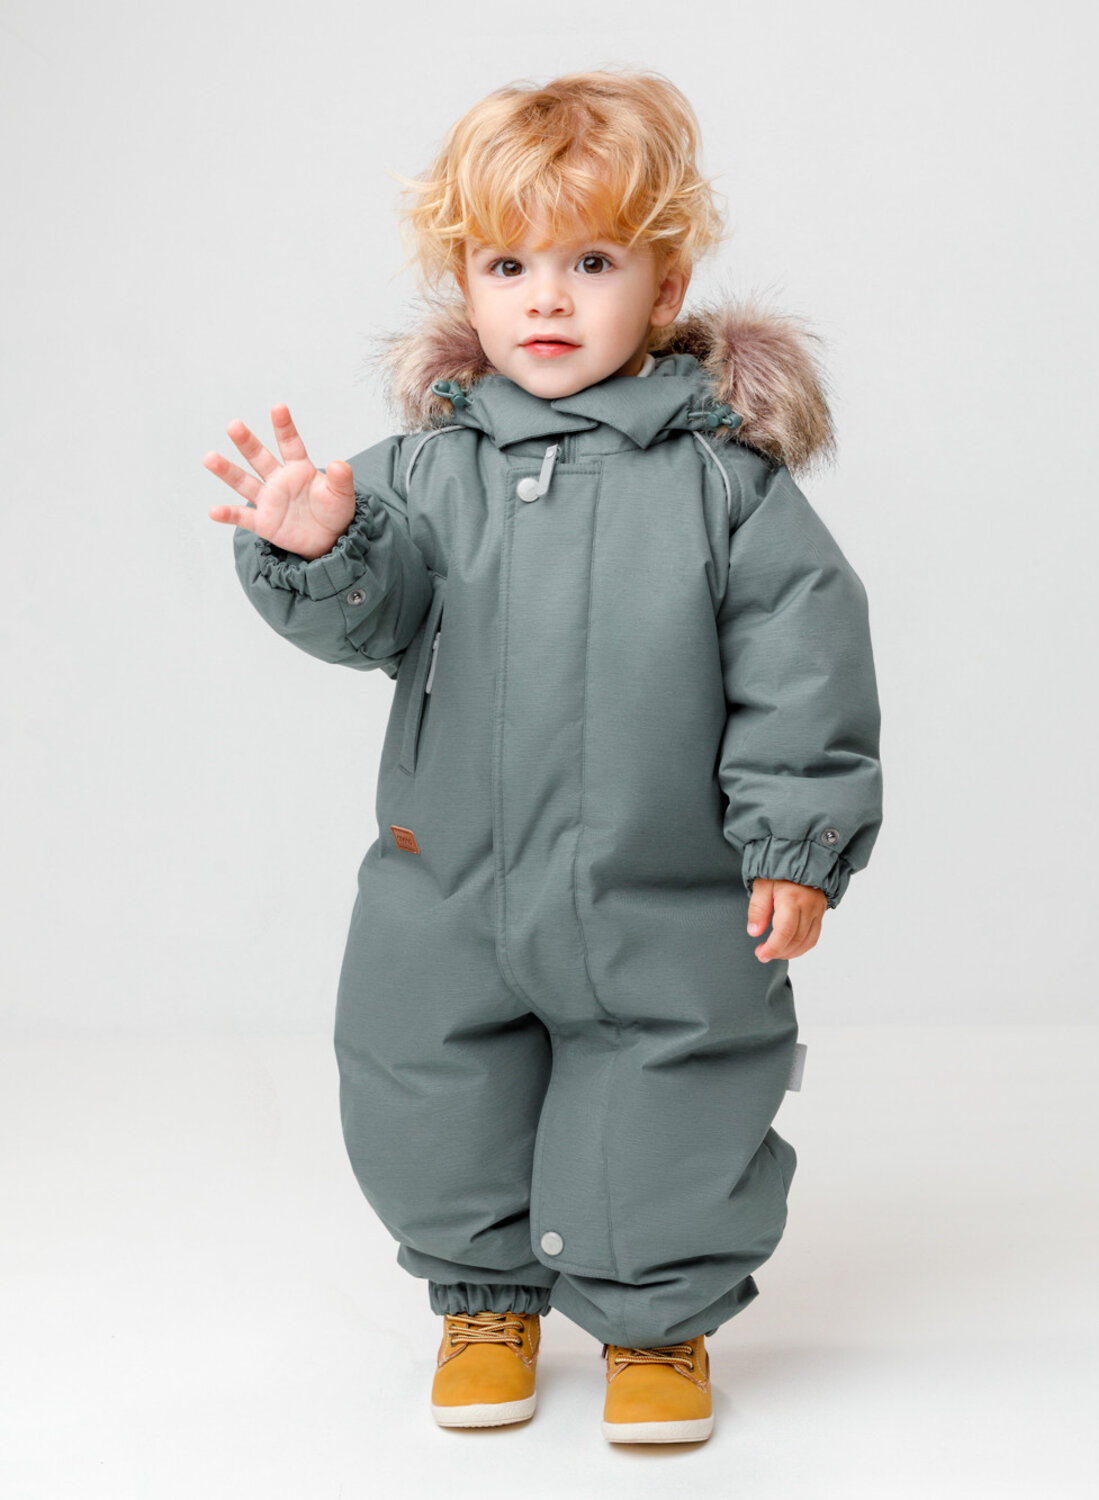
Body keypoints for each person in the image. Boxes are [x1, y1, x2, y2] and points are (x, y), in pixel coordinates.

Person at [203, 68, 883, 1446]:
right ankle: (483, 1302)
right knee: (426, 1079)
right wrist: (320, 546)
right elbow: (377, 617)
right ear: (463, 282)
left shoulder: (723, 488)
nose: (547, 300)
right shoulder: (419, 474)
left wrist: (795, 845)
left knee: (676, 1083)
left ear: (665, 280)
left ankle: (658, 1323)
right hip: (446, 882)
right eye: (508, 265)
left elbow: (803, 672)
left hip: (661, 885)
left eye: (591, 262)